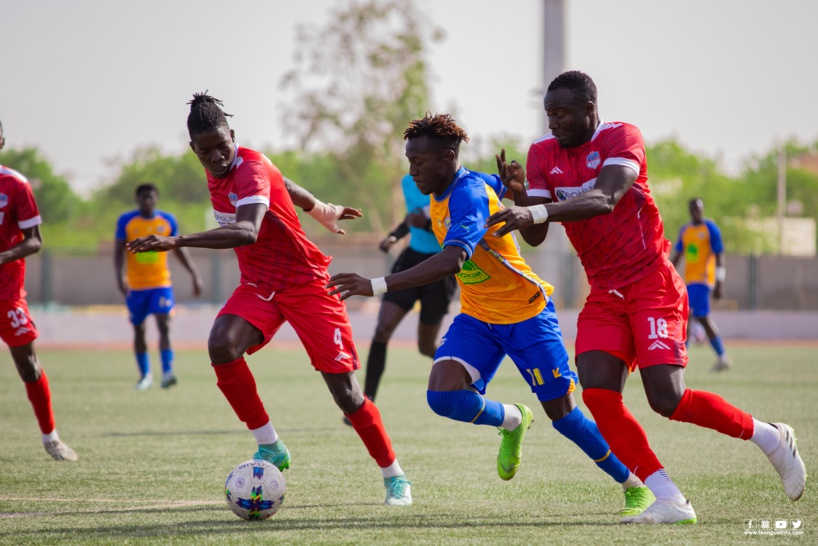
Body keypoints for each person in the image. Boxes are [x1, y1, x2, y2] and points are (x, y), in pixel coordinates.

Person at [486, 70, 806, 523]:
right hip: (604, 291)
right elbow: (536, 234)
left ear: (589, 110)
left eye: (561, 113)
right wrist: (521, 195)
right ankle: (669, 498)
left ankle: (769, 436)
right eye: (548, 114)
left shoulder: (621, 137)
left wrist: (535, 209)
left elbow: (605, 197)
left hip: (650, 281)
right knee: (598, 393)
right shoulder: (542, 152)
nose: (552, 122)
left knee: (666, 398)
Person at [329, 113, 655, 517]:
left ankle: (635, 485)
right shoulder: (459, 184)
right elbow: (498, 186)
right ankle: (512, 419)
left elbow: (452, 259)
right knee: (443, 396)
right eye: (410, 161)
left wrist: (376, 285)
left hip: (526, 314)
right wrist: (514, 185)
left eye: (419, 162)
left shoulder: (467, 194)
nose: (412, 171)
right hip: (479, 315)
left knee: (564, 416)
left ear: (447, 158)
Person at [127, 93, 411, 506]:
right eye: (205, 151)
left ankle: (394, 476)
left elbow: (248, 231)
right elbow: (284, 182)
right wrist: (321, 208)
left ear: (233, 136)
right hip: (260, 284)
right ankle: (270, 444)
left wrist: (177, 240)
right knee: (221, 344)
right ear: (193, 149)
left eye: (222, 146)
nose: (216, 157)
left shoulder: (250, 168)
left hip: (307, 283)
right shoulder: (222, 169)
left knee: (346, 393)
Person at [0, 120, 77, 461]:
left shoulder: (15, 184)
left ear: (2, 141)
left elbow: (35, 240)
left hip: (7, 293)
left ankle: (50, 438)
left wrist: (2, 256)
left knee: (28, 365)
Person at [358, 174, 457, 406]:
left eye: (419, 160)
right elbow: (413, 216)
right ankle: (366, 402)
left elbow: (459, 229)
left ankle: (464, 375)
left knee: (425, 347)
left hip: (441, 267)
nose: (415, 166)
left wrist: (427, 225)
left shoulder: (456, 185)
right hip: (410, 261)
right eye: (412, 159)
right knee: (382, 329)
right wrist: (395, 235)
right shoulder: (407, 182)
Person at [115, 183, 203, 390]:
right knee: (139, 329)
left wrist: (194, 274)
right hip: (136, 285)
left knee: (164, 324)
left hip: (160, 283)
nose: (147, 200)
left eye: (151, 196)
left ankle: (167, 372)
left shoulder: (167, 220)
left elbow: (179, 249)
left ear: (157, 199)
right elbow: (118, 251)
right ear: (137, 199)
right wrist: (119, 276)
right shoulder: (127, 221)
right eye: (143, 196)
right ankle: (145, 376)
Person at [670, 198, 732, 371]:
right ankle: (722, 357)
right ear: (690, 211)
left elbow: (719, 255)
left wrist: (720, 281)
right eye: (693, 209)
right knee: (701, 318)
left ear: (703, 209)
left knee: (689, 316)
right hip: (690, 281)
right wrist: (666, 273)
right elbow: (678, 255)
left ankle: (681, 360)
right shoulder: (686, 231)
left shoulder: (710, 228)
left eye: (699, 208)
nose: (697, 211)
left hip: (703, 280)